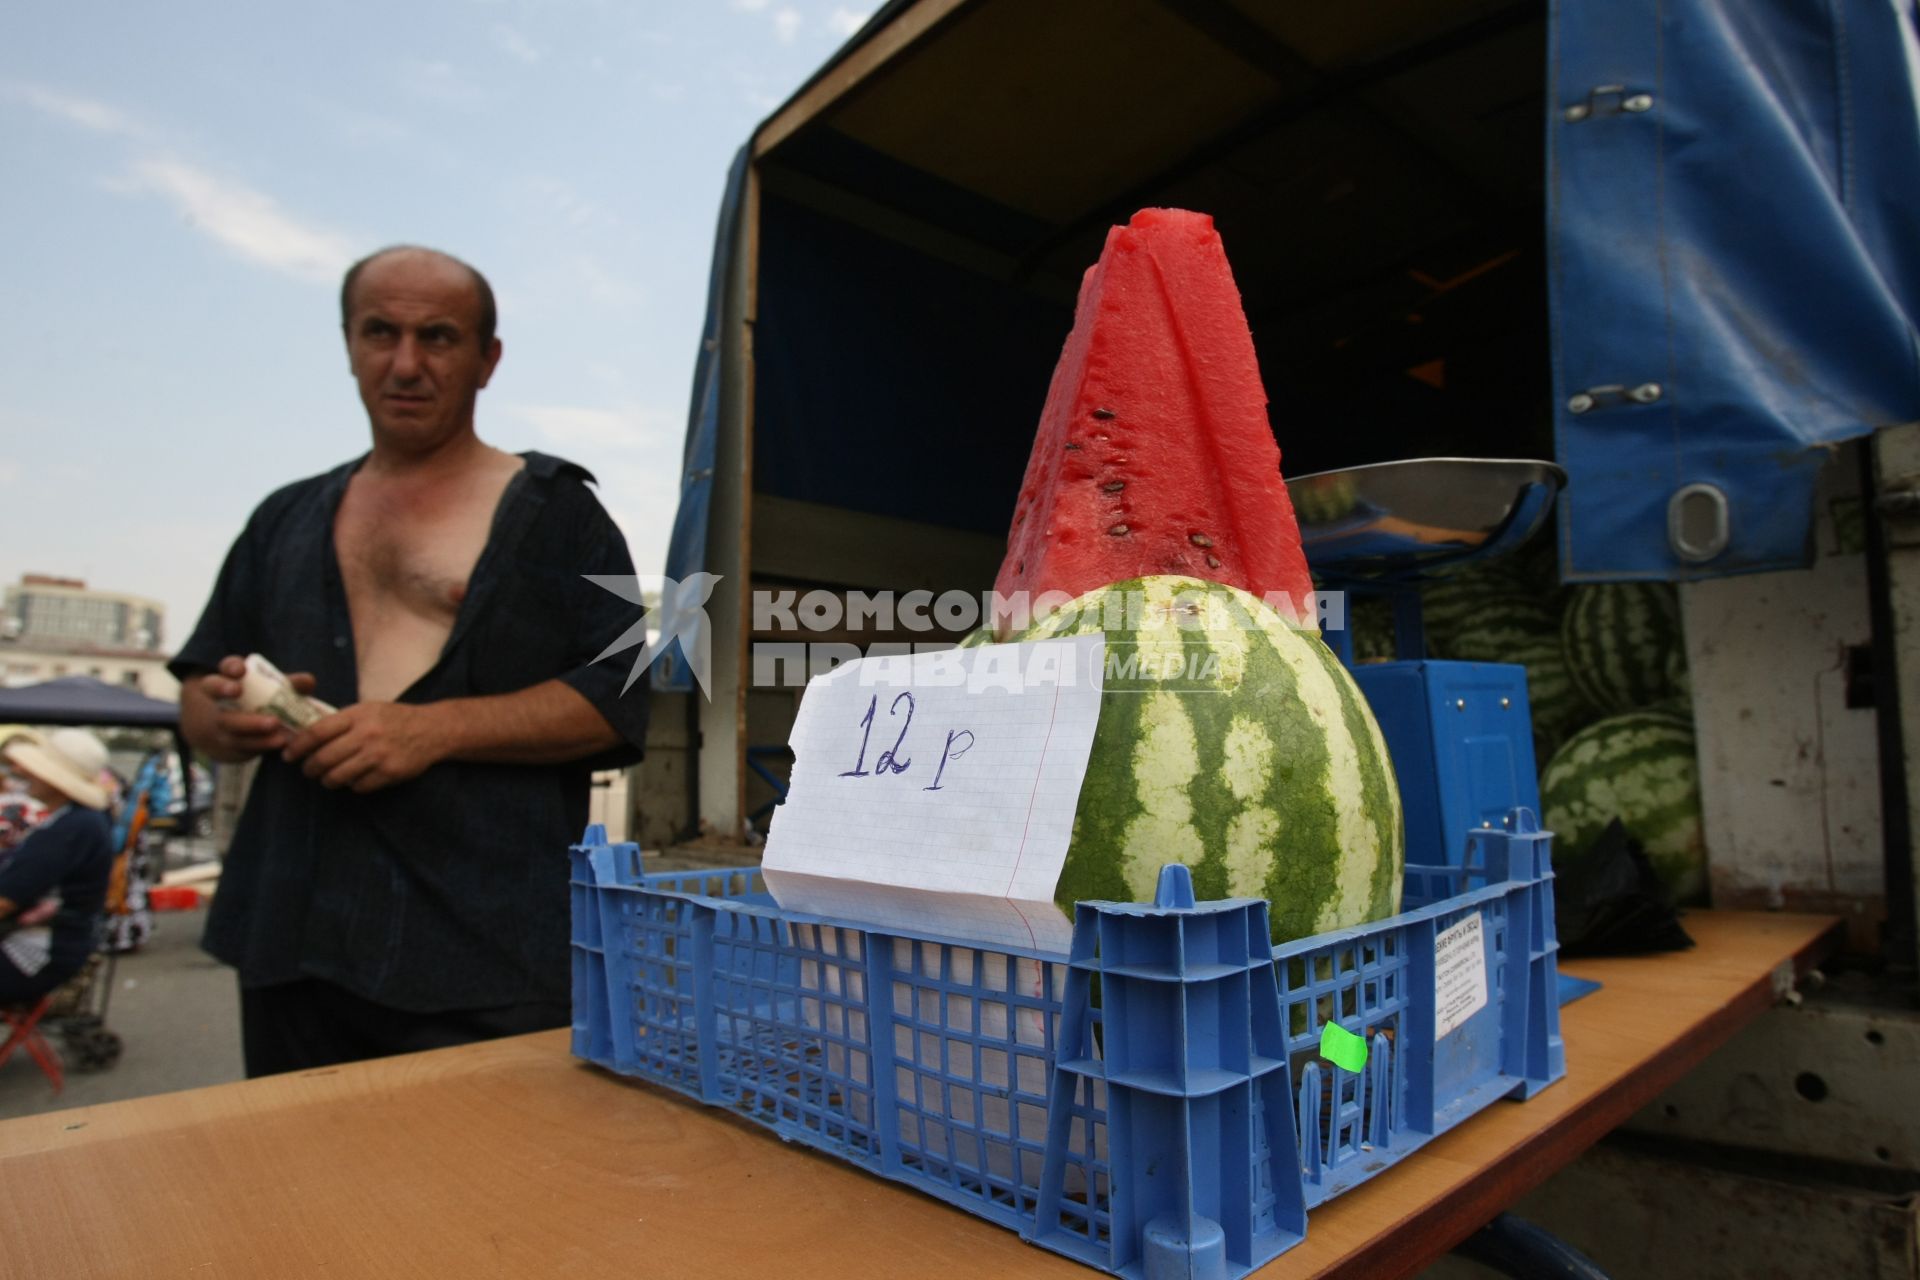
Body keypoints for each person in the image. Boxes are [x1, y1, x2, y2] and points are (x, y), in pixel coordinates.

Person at [170, 245, 651, 1076]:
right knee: (296, 1193)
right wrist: (226, 719)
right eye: (379, 332)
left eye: (438, 337)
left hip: (484, 955)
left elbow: (621, 698)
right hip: (294, 940)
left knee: (479, 1200)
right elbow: (197, 702)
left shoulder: (558, 515)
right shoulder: (280, 521)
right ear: (349, 345)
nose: (405, 363)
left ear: (486, 359)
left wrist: (433, 730)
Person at [0, 729, 114, 1005]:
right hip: (50, 949)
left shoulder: (72, 828)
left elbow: (6, 900)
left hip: (32, 956)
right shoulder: (77, 820)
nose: (25, 773)